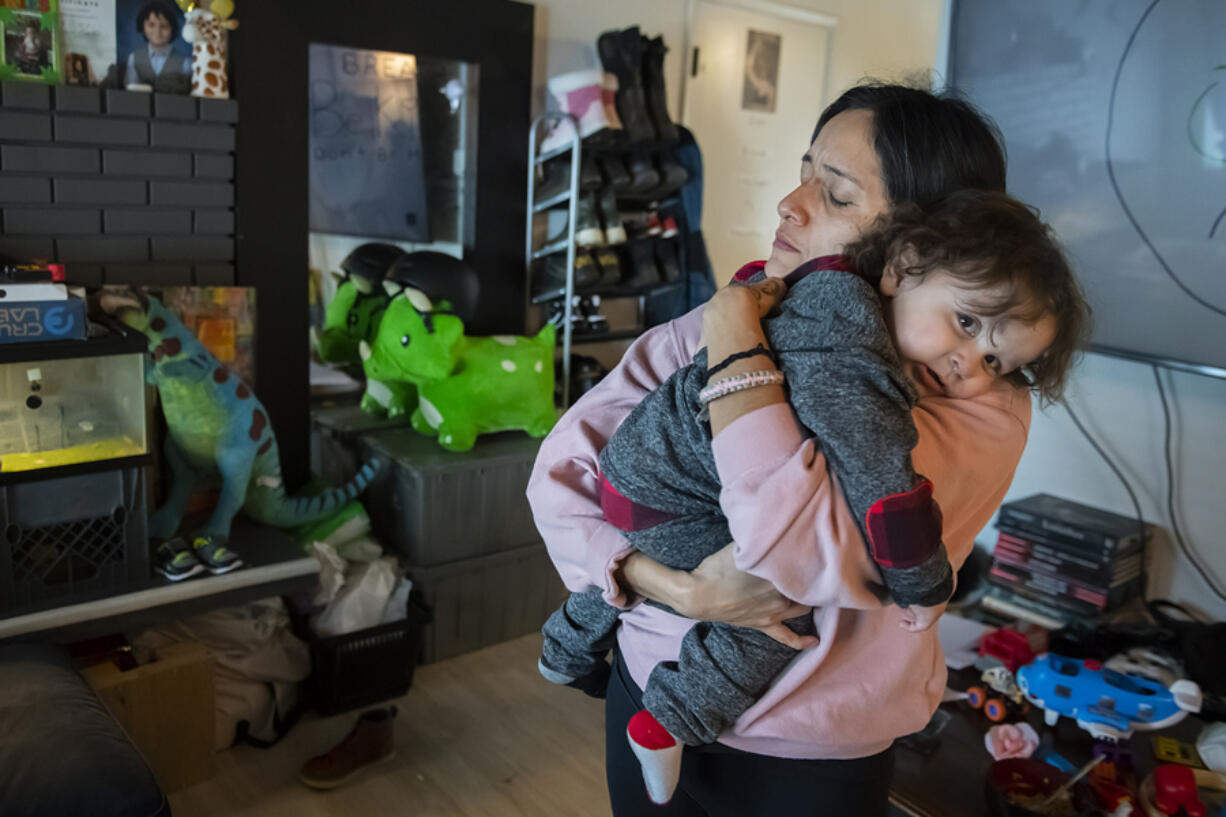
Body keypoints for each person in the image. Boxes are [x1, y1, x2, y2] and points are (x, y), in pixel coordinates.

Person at [527, 82, 1090, 817]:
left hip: (805, 755)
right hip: (641, 679)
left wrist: (734, 348)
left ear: (922, 241)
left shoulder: (973, 398)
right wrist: (662, 582)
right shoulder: (756, 298)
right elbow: (562, 470)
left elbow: (787, 549)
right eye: (804, 171)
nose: (791, 205)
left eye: (836, 192)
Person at [123, 0, 190, 92]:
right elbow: (130, 92)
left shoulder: (184, 62)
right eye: (151, 25)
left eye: (164, 26)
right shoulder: (134, 58)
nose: (157, 31)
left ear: (173, 29)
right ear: (143, 26)